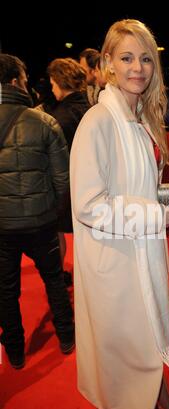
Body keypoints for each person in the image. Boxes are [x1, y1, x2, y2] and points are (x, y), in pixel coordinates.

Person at [70, 19, 169, 409]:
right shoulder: (98, 121)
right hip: (117, 262)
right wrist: (157, 213)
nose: (138, 67)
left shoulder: (140, 119)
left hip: (141, 254)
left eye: (146, 58)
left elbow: (139, 189)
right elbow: (89, 205)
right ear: (108, 63)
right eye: (127, 57)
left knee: (138, 347)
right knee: (139, 351)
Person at [0, 54, 75, 369]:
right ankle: (66, 336)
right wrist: (49, 209)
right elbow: (62, 178)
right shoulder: (44, 121)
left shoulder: (44, 119)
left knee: (5, 290)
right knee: (54, 280)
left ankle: (15, 351)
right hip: (42, 221)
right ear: (17, 81)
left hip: (2, 226)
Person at [47, 58, 90, 285]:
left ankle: (58, 278)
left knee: (57, 232)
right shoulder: (91, 108)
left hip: (66, 184)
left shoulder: (58, 118)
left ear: (61, 82)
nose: (51, 89)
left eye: (53, 84)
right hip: (92, 181)